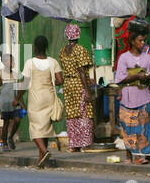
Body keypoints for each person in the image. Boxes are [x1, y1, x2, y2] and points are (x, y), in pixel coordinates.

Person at [114, 23, 150, 164]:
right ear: (133, 42)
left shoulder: (147, 58)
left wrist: (149, 77)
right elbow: (120, 78)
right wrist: (136, 76)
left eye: (144, 41)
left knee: (143, 127)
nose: (143, 43)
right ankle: (129, 155)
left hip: (144, 97)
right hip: (128, 98)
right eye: (140, 41)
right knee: (128, 127)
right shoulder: (124, 58)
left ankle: (141, 156)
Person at [20, 35, 63, 167]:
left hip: (36, 97)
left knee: (34, 127)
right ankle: (41, 160)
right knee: (44, 126)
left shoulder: (30, 62)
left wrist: (17, 97)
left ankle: (44, 151)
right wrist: (49, 82)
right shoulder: (53, 62)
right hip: (49, 96)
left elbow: (25, 84)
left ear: (35, 47)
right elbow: (60, 80)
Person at [58, 23, 96, 151]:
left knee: (72, 114)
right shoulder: (80, 49)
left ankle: (74, 144)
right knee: (84, 112)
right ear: (78, 35)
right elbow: (81, 71)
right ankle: (85, 143)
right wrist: (87, 91)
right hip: (79, 84)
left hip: (68, 85)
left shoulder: (63, 50)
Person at [0, 52, 22, 151]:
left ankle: (10, 137)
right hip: (4, 103)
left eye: (12, 61)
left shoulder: (16, 74)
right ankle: (4, 143)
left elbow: (19, 91)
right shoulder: (0, 73)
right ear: (3, 62)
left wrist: (22, 104)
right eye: (8, 61)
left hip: (14, 101)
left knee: (17, 120)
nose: (11, 63)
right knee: (6, 123)